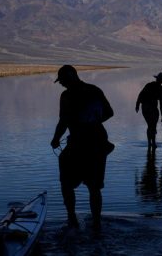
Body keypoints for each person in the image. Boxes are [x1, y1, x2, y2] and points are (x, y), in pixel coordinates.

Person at [50, 65, 114, 231]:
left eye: (63, 80)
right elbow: (109, 112)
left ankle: (72, 219)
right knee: (94, 187)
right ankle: (96, 223)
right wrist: (94, 120)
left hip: (79, 143)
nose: (62, 84)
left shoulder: (66, 96)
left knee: (66, 182)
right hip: (98, 142)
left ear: (70, 77)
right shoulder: (94, 90)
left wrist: (56, 139)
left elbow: (63, 121)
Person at [135, 72, 162, 150]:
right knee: (151, 125)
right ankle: (152, 143)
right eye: (161, 80)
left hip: (147, 108)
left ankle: (151, 143)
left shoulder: (150, 85)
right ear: (161, 80)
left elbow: (140, 95)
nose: (161, 81)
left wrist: (137, 105)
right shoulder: (158, 89)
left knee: (151, 125)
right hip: (148, 108)